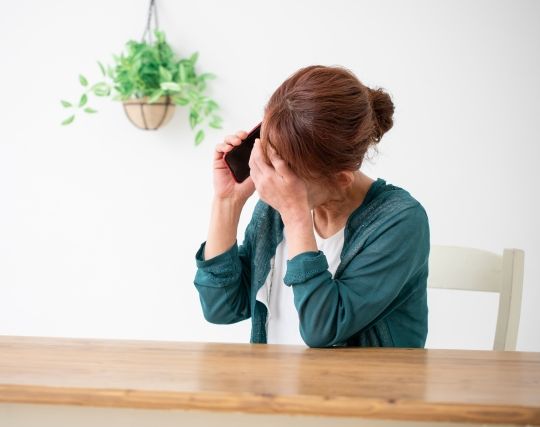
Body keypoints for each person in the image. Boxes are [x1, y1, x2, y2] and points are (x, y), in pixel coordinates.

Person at [193, 65, 430, 348]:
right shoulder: (275, 209)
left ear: (342, 178)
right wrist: (227, 201)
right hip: (274, 389)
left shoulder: (400, 221)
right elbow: (221, 308)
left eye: (285, 173)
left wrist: (295, 216)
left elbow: (323, 329)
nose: (271, 179)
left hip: (361, 390)